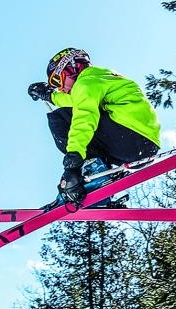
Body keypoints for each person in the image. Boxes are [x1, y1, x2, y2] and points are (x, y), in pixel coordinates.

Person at [28, 47, 161, 206]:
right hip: (142, 143)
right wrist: (49, 95)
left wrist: (73, 165)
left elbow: (84, 116)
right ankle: (100, 184)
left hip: (130, 139)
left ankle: (95, 173)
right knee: (66, 112)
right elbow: (74, 101)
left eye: (58, 81)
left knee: (59, 119)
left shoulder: (85, 82)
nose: (60, 88)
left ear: (72, 68)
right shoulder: (97, 78)